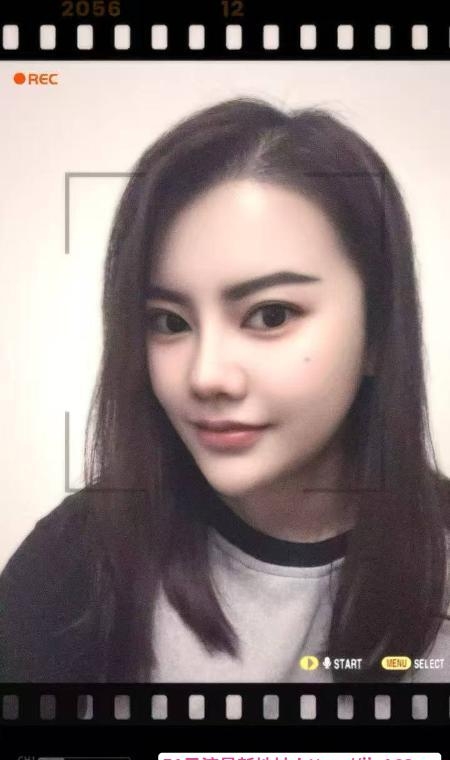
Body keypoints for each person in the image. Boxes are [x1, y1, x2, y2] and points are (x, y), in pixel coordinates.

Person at [1, 96, 450, 685]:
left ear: (378, 331)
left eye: (270, 315)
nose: (205, 375)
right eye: (169, 322)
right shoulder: (78, 558)